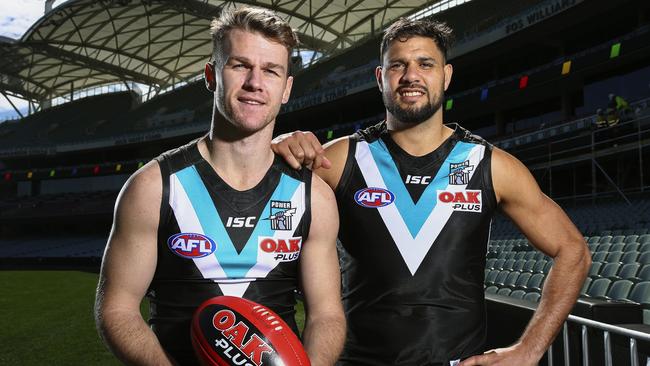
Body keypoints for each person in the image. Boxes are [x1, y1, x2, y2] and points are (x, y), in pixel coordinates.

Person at [272, 17, 591, 365]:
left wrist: (529, 350)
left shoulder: (491, 164)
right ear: (381, 78)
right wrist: (277, 146)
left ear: (446, 75)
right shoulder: (339, 158)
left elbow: (572, 250)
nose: (411, 76)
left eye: (425, 64)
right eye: (398, 65)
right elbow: (255, 191)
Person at [94, 7, 345, 366]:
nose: (255, 83)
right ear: (212, 75)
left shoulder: (313, 196)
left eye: (271, 71)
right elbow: (116, 309)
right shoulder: (153, 186)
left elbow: (326, 315)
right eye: (240, 65)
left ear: (286, 88)